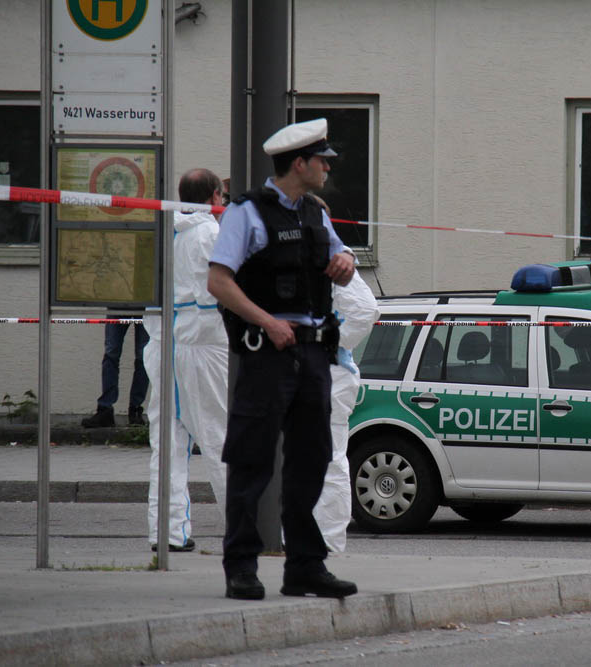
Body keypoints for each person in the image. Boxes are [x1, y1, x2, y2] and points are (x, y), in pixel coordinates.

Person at [207, 117, 357, 601]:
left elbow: (341, 260)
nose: (328, 168)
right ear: (299, 164)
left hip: (312, 351)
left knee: (311, 461)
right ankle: (241, 566)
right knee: (251, 461)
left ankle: (305, 567)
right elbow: (219, 282)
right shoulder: (246, 213)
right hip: (267, 351)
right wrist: (267, 321)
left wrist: (347, 262)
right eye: (322, 161)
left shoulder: (315, 211)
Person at [144, 168, 230, 553]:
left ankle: (166, 531)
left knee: (167, 444)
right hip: (203, 343)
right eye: (222, 196)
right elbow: (220, 293)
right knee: (220, 437)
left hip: (163, 341)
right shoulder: (211, 234)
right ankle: (247, 529)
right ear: (214, 196)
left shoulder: (164, 232)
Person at [309, 198, 380, 553]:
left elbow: (367, 310)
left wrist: (329, 344)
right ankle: (306, 537)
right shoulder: (308, 253)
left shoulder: (333, 257)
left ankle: (330, 540)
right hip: (312, 369)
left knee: (330, 457)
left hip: (330, 372)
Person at [81, 319, 149, 428]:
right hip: (124, 308)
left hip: (144, 310)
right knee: (111, 354)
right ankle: (107, 411)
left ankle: (134, 410)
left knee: (143, 357)